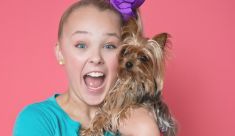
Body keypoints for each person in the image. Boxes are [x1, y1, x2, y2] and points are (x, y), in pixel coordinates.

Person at [13, 0, 160, 135]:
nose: (96, 58)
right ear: (60, 53)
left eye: (109, 46)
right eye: (81, 45)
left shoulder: (138, 122)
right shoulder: (38, 119)